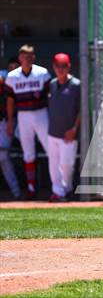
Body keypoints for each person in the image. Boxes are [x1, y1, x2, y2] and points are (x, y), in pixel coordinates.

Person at [5, 45, 51, 199]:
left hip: (41, 113)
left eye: (29, 56)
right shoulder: (12, 76)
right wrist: (11, 121)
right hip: (23, 116)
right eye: (23, 57)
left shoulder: (42, 73)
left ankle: (58, 187)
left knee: (51, 150)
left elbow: (50, 97)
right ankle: (31, 188)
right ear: (19, 59)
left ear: (34, 58)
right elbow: (10, 101)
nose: (26, 59)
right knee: (28, 153)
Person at [47, 53, 80, 202]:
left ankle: (66, 190)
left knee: (67, 165)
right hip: (53, 132)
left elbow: (81, 110)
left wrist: (74, 129)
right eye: (57, 66)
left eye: (63, 66)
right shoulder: (52, 84)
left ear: (69, 67)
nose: (60, 69)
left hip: (69, 133)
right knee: (53, 165)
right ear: (53, 67)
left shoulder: (76, 85)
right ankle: (58, 192)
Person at [0, 58, 22, 199]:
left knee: (4, 156)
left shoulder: (23, 79)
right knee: (3, 156)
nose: (13, 71)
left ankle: (19, 191)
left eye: (16, 68)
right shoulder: (5, 77)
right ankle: (16, 192)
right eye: (11, 68)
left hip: (18, 122)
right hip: (5, 123)